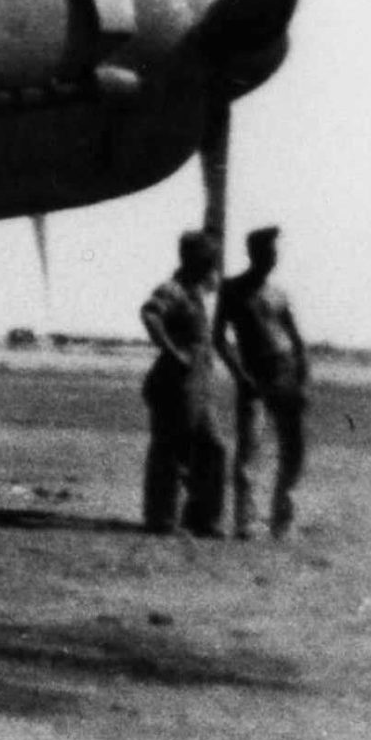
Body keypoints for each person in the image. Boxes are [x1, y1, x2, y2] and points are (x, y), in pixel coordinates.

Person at [214, 226, 310, 539]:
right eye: (267, 251)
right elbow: (220, 338)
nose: (272, 257)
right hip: (254, 377)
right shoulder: (231, 290)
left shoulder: (279, 294)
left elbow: (296, 340)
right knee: (249, 450)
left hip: (285, 375)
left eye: (275, 252)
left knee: (294, 451)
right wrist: (240, 375)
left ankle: (282, 521)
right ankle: (247, 523)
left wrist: (303, 379)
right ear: (253, 253)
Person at [139, 230, 228, 537]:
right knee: (169, 449)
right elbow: (150, 314)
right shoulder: (174, 289)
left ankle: (202, 518)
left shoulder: (199, 289)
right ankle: (160, 519)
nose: (214, 264)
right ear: (193, 259)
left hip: (197, 386)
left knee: (212, 448)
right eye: (209, 258)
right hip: (173, 384)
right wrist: (172, 350)